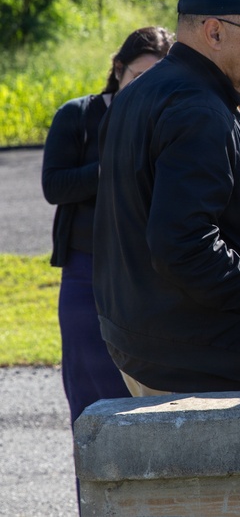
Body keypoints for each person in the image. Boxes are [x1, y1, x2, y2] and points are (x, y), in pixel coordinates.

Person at [93, 0, 240, 396]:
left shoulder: (141, 94)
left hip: (154, 347)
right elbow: (181, 243)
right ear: (214, 32)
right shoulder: (198, 109)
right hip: (200, 362)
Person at [42, 26, 174, 425]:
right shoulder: (78, 115)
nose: (144, 86)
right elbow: (54, 186)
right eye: (137, 75)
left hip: (147, 273)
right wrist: (110, 169)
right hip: (86, 270)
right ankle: (92, 489)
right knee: (89, 398)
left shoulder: (169, 116)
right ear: (118, 69)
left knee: (144, 399)